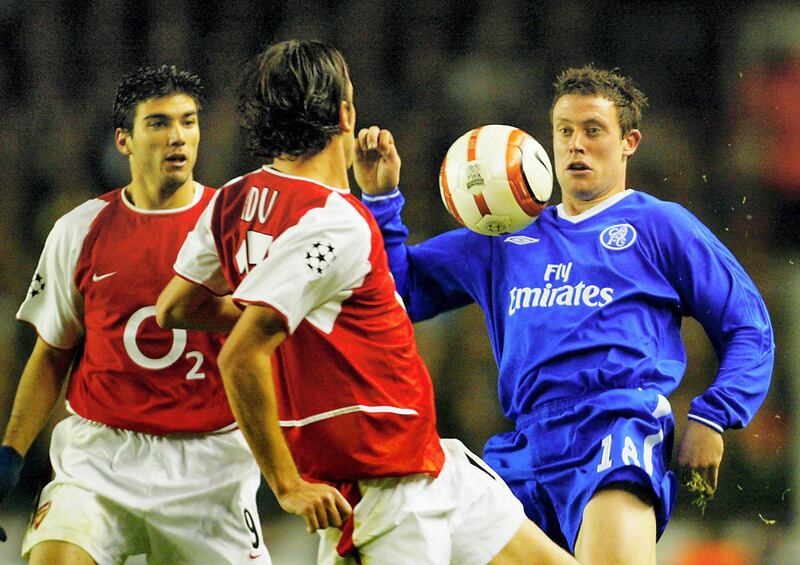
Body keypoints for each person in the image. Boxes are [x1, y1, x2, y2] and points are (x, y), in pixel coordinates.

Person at [156, 39, 578, 565]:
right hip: (381, 496)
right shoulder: (335, 219)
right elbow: (240, 355)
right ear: (344, 112)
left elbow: (174, 307)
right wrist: (284, 484)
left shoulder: (233, 200)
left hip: (433, 465)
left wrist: (377, 202)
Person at [358, 64, 775, 564]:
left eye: (593, 131)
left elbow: (749, 325)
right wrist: (382, 199)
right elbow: (397, 290)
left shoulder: (660, 225)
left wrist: (713, 416)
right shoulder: (503, 239)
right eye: (565, 132)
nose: (576, 144)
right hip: (525, 447)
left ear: (629, 142)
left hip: (616, 429)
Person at [0, 65, 270, 564]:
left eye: (189, 122)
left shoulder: (237, 229)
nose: (178, 138)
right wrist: (10, 455)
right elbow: (52, 353)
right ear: (124, 140)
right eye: (159, 123)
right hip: (101, 456)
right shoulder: (79, 230)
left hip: (209, 463)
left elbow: (275, 340)